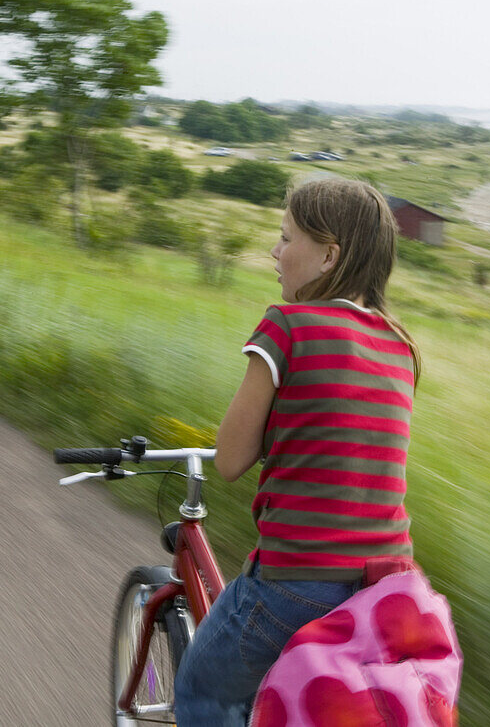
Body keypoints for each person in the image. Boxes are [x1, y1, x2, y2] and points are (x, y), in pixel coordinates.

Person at [173, 178, 422, 725]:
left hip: (299, 580)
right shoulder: (401, 345)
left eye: (286, 238)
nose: (274, 251)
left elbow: (232, 460)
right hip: (387, 583)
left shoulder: (287, 327)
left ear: (329, 255)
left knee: (202, 692)